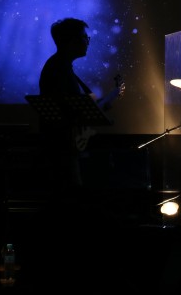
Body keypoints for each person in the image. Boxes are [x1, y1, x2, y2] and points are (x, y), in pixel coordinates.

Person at [38, 17, 125, 192]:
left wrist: (109, 98)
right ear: (71, 41)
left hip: (60, 147)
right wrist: (111, 97)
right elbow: (79, 112)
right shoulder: (60, 69)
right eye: (84, 37)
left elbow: (78, 108)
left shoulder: (58, 66)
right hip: (62, 150)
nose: (87, 42)